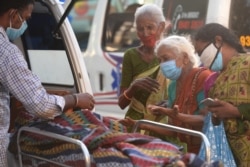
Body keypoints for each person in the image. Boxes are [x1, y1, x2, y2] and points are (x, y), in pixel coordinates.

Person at [0, 0, 95, 166]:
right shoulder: (6, 52)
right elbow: (41, 106)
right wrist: (75, 99)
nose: (25, 24)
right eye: (25, 18)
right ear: (13, 14)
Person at [120, 35, 212, 154]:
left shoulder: (203, 78)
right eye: (160, 60)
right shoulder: (173, 86)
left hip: (207, 149)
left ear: (184, 58)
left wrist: (176, 115)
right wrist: (141, 124)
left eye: (166, 59)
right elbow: (174, 130)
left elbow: (207, 120)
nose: (162, 64)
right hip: (189, 151)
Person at [193, 23, 249, 167]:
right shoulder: (217, 79)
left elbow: (234, 110)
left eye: (201, 52)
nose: (201, 59)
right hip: (230, 156)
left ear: (218, 41)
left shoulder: (247, 63)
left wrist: (236, 111)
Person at [118, 4, 169, 132]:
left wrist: (169, 105)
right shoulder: (131, 56)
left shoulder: (173, 53)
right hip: (134, 123)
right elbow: (121, 104)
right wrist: (133, 86)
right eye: (140, 29)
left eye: (150, 27)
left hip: (164, 125)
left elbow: (184, 95)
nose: (145, 33)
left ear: (161, 27)